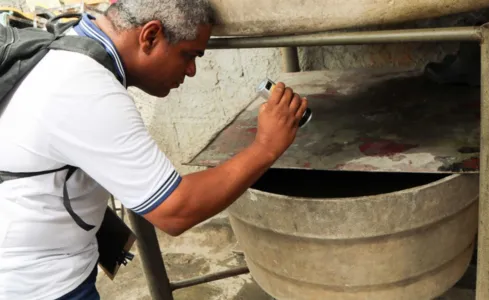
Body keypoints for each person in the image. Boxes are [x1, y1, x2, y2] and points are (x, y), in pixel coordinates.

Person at [0, 0, 308, 299]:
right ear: (150, 36)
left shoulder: (67, 46)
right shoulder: (85, 89)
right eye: (189, 55)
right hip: (40, 285)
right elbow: (175, 210)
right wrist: (267, 146)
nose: (191, 71)